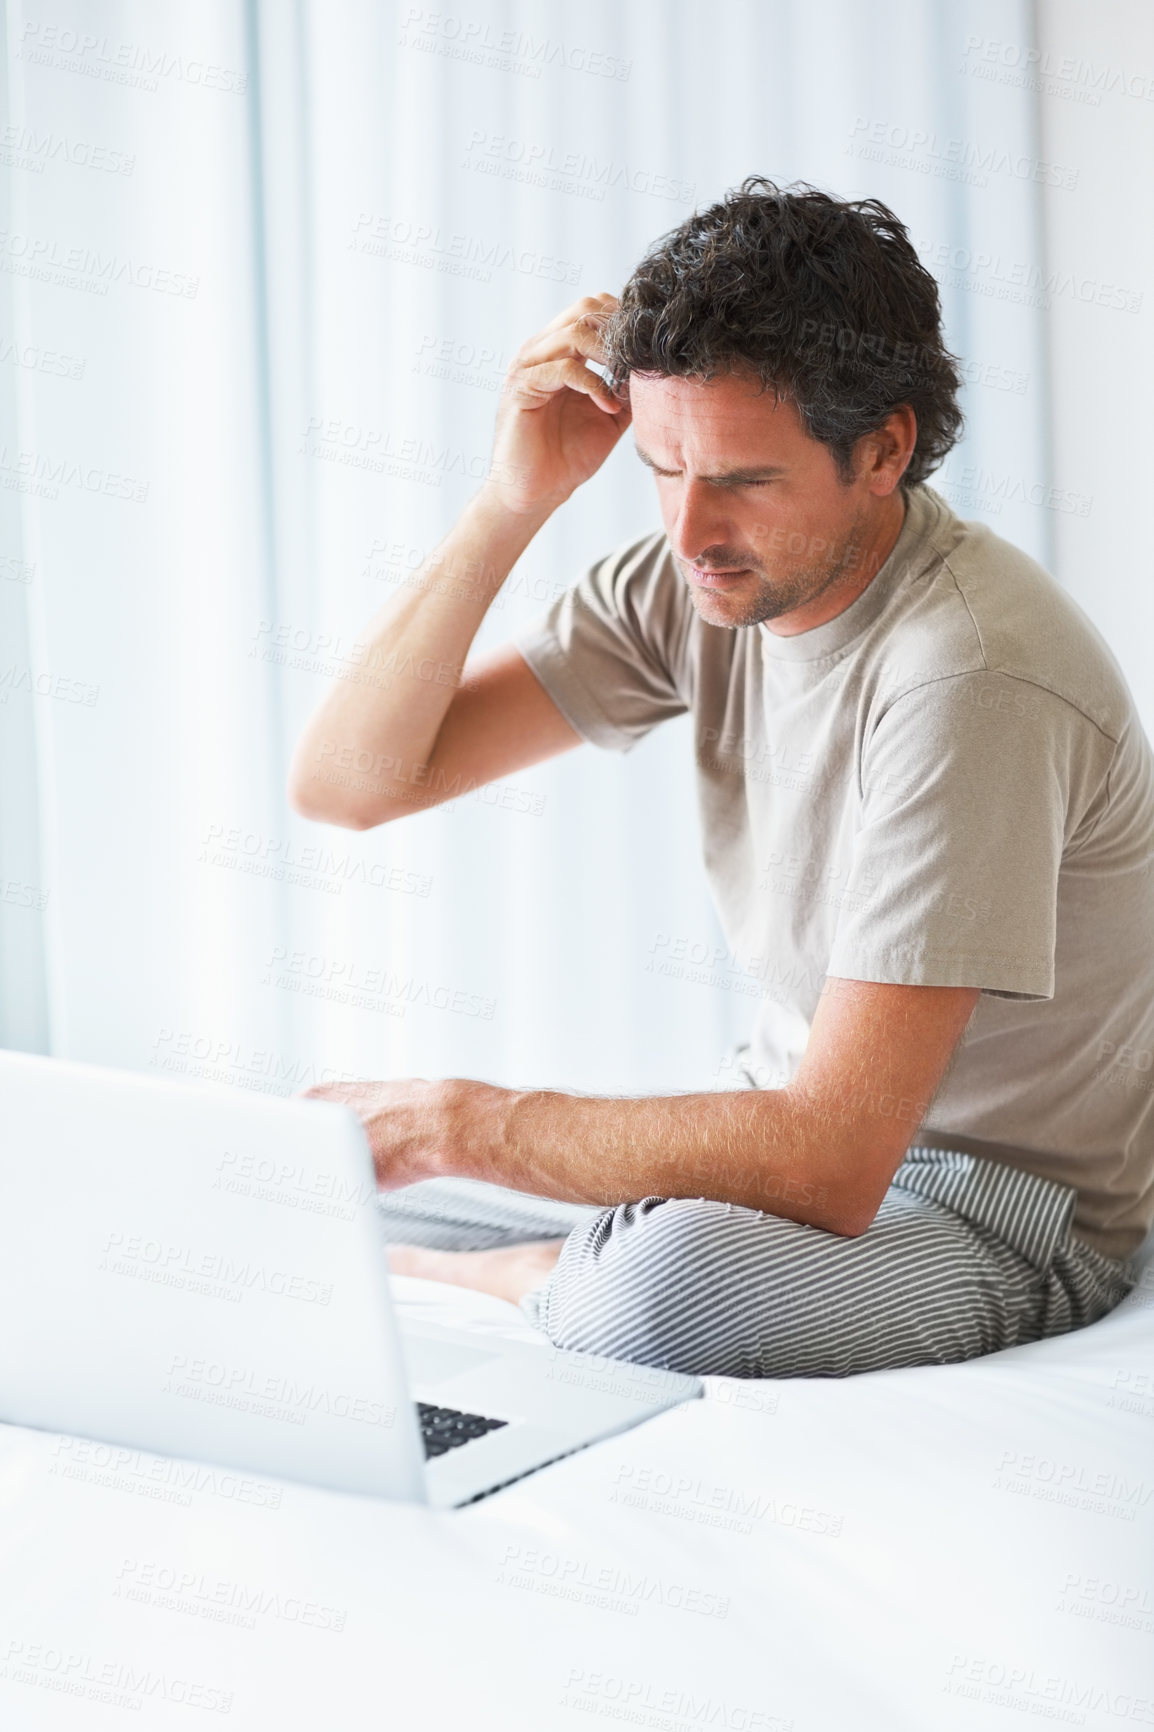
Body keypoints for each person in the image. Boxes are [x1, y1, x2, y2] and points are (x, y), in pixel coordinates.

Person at [287, 177, 1152, 1378]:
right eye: (658, 466)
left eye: (742, 479)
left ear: (882, 448)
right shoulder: (693, 583)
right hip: (799, 1139)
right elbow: (349, 783)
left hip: (993, 1207)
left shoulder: (970, 675)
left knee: (671, 1285)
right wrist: (510, 500)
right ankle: (560, 1258)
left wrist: (461, 1122)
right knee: (305, 1170)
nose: (689, 529)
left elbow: (831, 1161)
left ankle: (522, 1274)